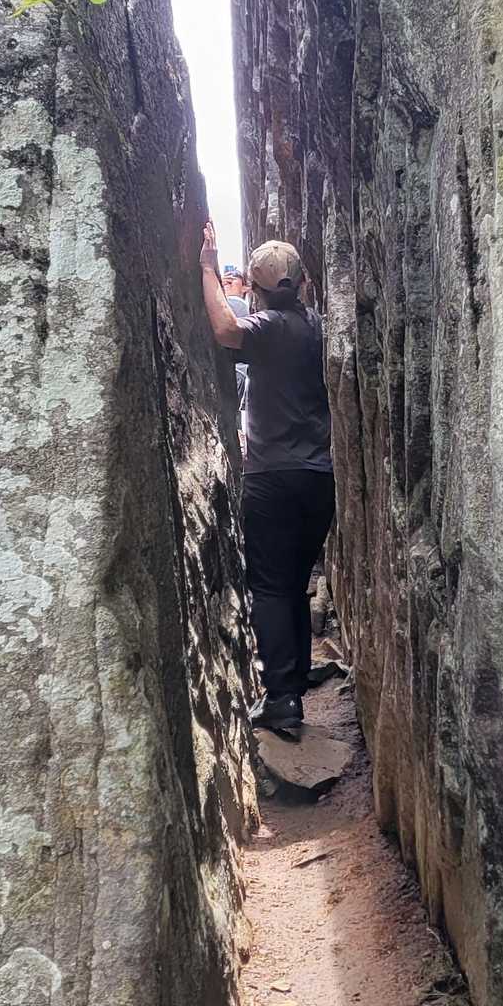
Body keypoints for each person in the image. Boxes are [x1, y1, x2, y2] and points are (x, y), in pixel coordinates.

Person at [199, 222, 334, 741]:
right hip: (317, 478)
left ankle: (282, 699)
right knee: (294, 583)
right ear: (303, 283)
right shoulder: (316, 326)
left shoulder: (271, 327)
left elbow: (225, 331)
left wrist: (208, 268)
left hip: (273, 477)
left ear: (256, 289)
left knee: (272, 588)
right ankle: (295, 678)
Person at [222, 265, 250, 419]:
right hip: (237, 372)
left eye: (235, 276)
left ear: (245, 288)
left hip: (236, 372)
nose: (229, 277)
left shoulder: (238, 304)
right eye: (227, 274)